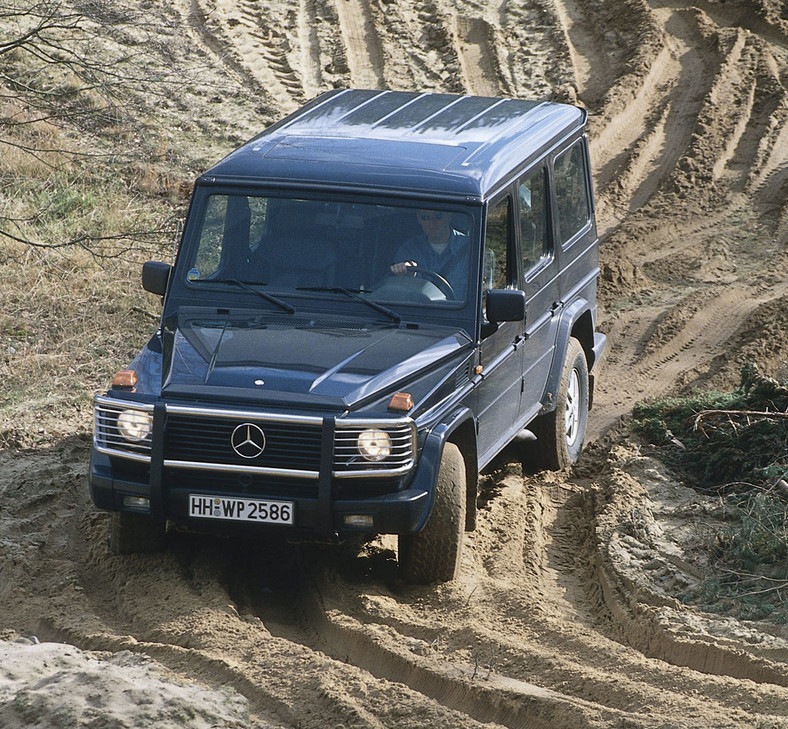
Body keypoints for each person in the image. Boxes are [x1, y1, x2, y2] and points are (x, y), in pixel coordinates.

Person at [390, 209, 468, 299]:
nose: (431, 222)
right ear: (418, 218)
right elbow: (397, 293)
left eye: (437, 216)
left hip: (458, 312)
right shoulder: (409, 250)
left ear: (449, 216)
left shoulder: (470, 248)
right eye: (425, 217)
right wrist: (405, 275)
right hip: (420, 311)